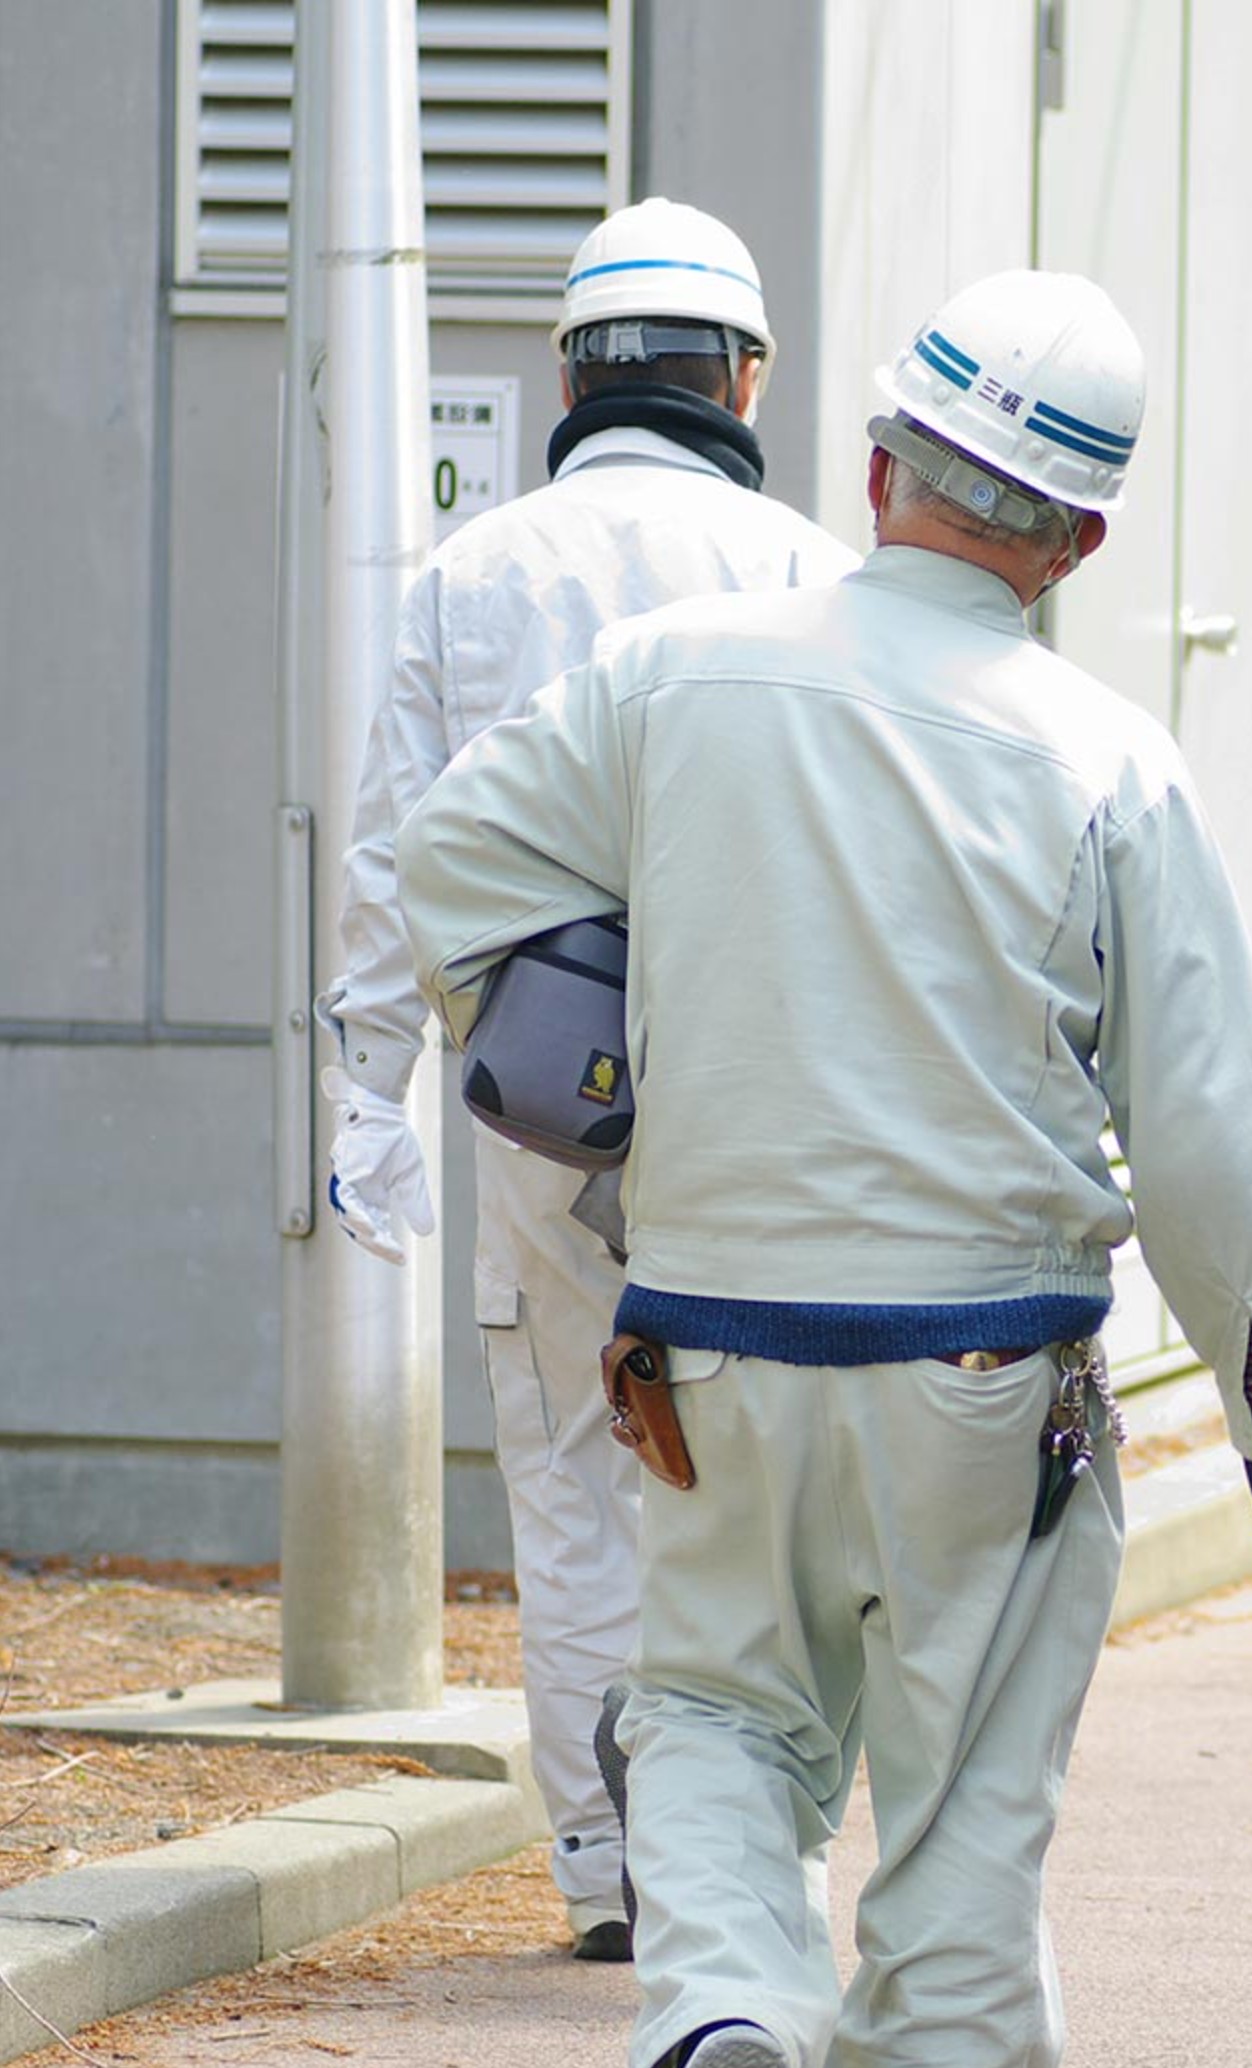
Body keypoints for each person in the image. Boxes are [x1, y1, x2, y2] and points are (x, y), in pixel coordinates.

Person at [396, 268, 1252, 2068]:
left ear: (883, 461)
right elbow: (1207, 1117)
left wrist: (619, 1072)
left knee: (715, 1717)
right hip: (990, 1369)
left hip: (711, 1334)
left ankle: (732, 2005)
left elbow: (454, 868)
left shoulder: (672, 680)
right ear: (1075, 539)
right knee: (968, 1799)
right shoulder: (1107, 761)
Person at [318, 195, 854, 1962]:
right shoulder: (803, 571)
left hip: (541, 1105)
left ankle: (611, 1878)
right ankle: (749, 1870)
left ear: (571, 371)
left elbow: (390, 860)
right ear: (746, 373)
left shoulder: (473, 572)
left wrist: (363, 1106)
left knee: (570, 1478)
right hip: (767, 1105)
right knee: (753, 1486)